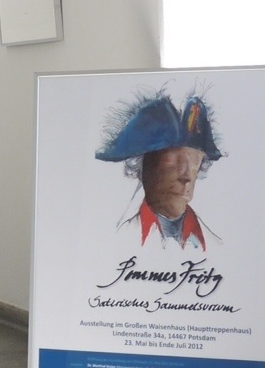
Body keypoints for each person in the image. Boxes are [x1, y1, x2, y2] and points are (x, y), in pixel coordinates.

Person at [95, 92, 223, 250]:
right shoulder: (116, 242)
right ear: (142, 166)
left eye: (195, 161)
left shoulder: (215, 246)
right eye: (173, 160)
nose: (186, 176)